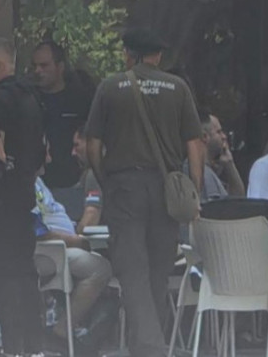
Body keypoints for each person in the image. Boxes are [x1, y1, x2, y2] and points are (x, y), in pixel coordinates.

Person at [85, 27, 205, 357]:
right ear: (158, 56)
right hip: (166, 189)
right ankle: (150, 346)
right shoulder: (178, 88)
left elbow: (92, 145)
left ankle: (148, 346)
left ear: (129, 54)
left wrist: (107, 181)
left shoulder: (110, 87)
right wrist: (193, 190)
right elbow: (195, 144)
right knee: (158, 269)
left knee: (131, 268)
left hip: (124, 186)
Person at [0, 37, 47, 357]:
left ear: (0, 65)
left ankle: (12, 344)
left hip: (1, 200)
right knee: (25, 272)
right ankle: (34, 344)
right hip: (25, 195)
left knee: (4, 274)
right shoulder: (32, 97)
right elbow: (42, 153)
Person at [33, 177, 112, 352]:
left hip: (63, 248)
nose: (47, 162)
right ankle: (61, 333)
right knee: (100, 269)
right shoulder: (23, 181)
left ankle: (73, 333)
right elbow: (37, 232)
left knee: (100, 265)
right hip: (48, 250)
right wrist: (76, 241)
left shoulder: (38, 181)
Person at [32, 41, 93, 190]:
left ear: (60, 67)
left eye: (44, 65)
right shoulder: (30, 100)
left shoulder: (80, 100)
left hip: (75, 181)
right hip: (39, 183)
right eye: (35, 66)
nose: (38, 71)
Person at [187, 110, 245, 202]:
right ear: (204, 136)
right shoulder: (203, 174)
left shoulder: (208, 171)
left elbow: (237, 200)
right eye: (219, 132)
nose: (224, 136)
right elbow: (225, 208)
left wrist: (229, 165)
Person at [71, 125, 103, 234]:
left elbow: (92, 215)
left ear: (90, 142)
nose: (73, 152)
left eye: (77, 145)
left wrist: (74, 239)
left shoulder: (94, 174)